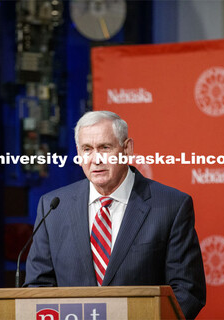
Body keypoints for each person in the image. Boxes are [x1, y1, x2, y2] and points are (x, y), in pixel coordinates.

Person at [24, 111, 206, 319]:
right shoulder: (53, 206)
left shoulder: (171, 205)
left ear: (127, 148)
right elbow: (38, 286)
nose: (96, 159)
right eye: (87, 149)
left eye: (105, 147)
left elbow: (187, 290)